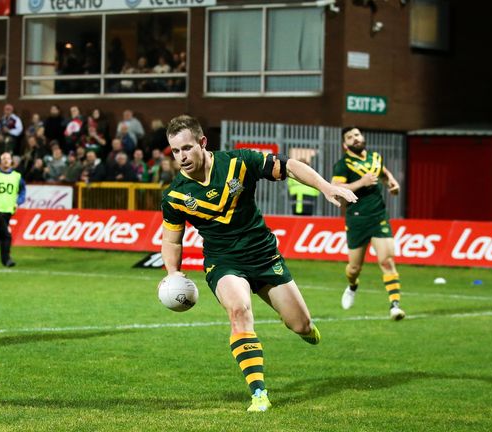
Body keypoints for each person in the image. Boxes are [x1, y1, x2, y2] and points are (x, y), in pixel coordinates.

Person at [159, 115, 357, 412]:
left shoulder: (239, 163)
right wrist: (174, 273)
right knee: (239, 310)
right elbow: (172, 241)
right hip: (223, 261)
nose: (182, 156)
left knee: (300, 324)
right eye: (175, 151)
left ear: (202, 142)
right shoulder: (175, 195)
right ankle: (259, 393)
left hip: (263, 255)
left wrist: (325, 187)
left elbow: (290, 165)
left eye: (186, 148)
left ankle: (304, 327)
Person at [331, 126, 405, 320]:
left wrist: (393, 184)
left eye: (357, 135)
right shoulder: (343, 165)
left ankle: (395, 305)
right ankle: (352, 286)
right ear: (345, 145)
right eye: (350, 137)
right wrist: (360, 183)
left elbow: (384, 174)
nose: (355, 138)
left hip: (378, 216)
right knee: (354, 268)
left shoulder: (375, 158)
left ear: (362, 137)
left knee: (387, 261)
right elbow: (335, 189)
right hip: (356, 219)